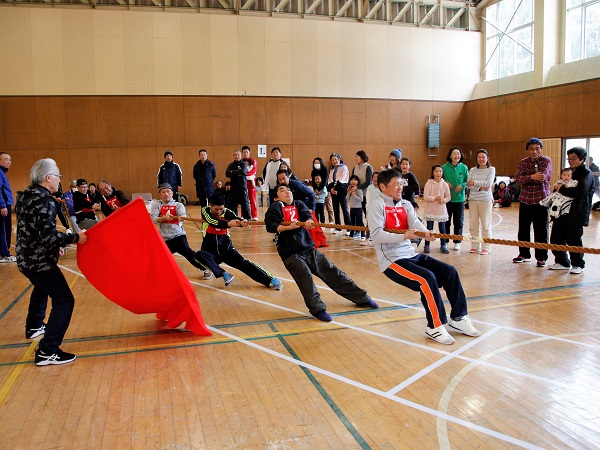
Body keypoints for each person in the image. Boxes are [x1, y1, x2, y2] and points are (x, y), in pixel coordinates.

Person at [368, 169, 480, 345]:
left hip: (411, 254)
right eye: (395, 184)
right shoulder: (376, 205)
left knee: (450, 272)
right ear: (383, 186)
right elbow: (376, 235)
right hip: (392, 260)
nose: (400, 187)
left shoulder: (405, 204)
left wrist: (425, 232)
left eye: (401, 184)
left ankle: (459, 318)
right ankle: (434, 326)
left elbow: (416, 223)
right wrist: (404, 236)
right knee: (426, 279)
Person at [265, 184, 378, 322]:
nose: (287, 191)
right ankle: (318, 309)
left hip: (308, 249)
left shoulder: (299, 204)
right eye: (282, 190)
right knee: (306, 279)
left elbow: (307, 215)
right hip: (291, 254)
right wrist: (288, 227)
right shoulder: (276, 207)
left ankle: (362, 298)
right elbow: (271, 226)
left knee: (332, 271)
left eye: (288, 189)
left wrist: (308, 221)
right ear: (276, 197)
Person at [16, 158, 88, 365]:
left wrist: (56, 244)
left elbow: (34, 230)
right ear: (48, 178)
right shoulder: (45, 200)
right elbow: (47, 236)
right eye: (57, 176)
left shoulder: (25, 196)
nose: (59, 181)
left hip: (25, 259)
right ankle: (48, 351)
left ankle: (34, 326)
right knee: (65, 300)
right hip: (39, 262)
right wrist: (75, 238)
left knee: (41, 288)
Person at [201, 192, 283, 289]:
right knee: (199, 256)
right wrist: (228, 224)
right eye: (216, 209)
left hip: (225, 246)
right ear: (210, 205)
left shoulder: (227, 212)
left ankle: (270, 279)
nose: (219, 211)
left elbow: (235, 218)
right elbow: (213, 222)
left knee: (243, 263)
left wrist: (241, 222)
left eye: (221, 209)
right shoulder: (205, 210)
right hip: (209, 247)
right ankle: (212, 269)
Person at [149, 183, 214, 279]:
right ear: (160, 195)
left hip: (178, 236)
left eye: (168, 191)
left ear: (172, 193)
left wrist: (181, 217)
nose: (166, 194)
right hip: (165, 238)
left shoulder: (178, 205)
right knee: (156, 256)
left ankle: (206, 268)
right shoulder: (157, 205)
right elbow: (153, 219)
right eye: (163, 192)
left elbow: (183, 216)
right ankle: (152, 274)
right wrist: (164, 218)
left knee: (189, 254)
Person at [546, 147, 594, 274]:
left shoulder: (586, 174)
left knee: (574, 240)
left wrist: (562, 189)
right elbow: (557, 187)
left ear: (582, 159)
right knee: (556, 238)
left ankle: (578, 264)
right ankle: (562, 261)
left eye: (574, 158)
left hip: (576, 213)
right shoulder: (568, 172)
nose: (570, 161)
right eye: (569, 158)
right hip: (561, 213)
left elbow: (580, 192)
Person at [513, 138, 552, 267]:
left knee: (541, 230)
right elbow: (518, 179)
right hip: (525, 200)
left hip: (540, 200)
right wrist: (531, 177)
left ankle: (541, 257)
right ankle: (524, 254)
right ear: (527, 150)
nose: (534, 151)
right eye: (531, 148)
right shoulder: (523, 162)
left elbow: (542, 177)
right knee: (523, 229)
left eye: (537, 148)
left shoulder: (546, 160)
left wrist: (528, 178)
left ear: (541, 149)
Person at [467, 149, 495, 255]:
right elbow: (468, 184)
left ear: (487, 158)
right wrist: (479, 187)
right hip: (473, 199)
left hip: (485, 200)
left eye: (483, 157)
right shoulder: (473, 170)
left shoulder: (491, 170)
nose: (481, 159)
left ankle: (486, 246)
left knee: (486, 224)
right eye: (479, 157)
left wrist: (474, 182)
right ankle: (474, 245)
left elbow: (488, 184)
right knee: (473, 225)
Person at [442, 146, 468, 251]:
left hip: (459, 199)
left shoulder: (464, 168)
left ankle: (457, 241)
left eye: (458, 153)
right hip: (447, 199)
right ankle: (446, 241)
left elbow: (467, 181)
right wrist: (445, 182)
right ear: (450, 155)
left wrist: (462, 186)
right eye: (454, 153)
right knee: (446, 221)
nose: (456, 155)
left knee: (458, 222)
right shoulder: (444, 167)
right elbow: (439, 178)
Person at [423, 165, 450, 254]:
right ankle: (427, 245)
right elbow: (425, 196)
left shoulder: (444, 184)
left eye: (440, 171)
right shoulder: (428, 183)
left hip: (441, 209)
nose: (438, 173)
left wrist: (444, 200)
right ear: (432, 173)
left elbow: (448, 196)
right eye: (436, 171)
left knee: (442, 228)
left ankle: (443, 245)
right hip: (430, 209)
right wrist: (434, 198)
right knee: (429, 228)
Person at [327, 153, 351, 235]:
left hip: (342, 192)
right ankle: (338, 228)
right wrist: (331, 189)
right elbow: (329, 181)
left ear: (339, 159)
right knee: (335, 209)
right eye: (332, 160)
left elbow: (343, 180)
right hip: (334, 192)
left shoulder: (344, 167)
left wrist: (336, 189)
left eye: (335, 159)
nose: (334, 161)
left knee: (345, 209)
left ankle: (349, 228)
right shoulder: (332, 170)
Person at [225, 149, 251, 220]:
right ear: (233, 156)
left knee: (244, 203)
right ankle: (234, 218)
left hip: (242, 187)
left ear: (240, 155)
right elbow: (227, 173)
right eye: (235, 155)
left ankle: (247, 218)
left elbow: (243, 172)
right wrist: (237, 173)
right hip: (233, 187)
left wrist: (232, 172)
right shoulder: (231, 165)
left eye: (238, 155)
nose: (237, 156)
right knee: (233, 204)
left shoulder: (244, 164)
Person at [0, 152, 15, 262]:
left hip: (5, 204)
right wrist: (2, 205)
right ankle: (5, 254)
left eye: (9, 159)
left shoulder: (2, 173)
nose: (8, 162)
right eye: (6, 159)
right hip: (3, 206)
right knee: (5, 230)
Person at [311, 157, 334, 225]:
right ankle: (318, 222)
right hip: (317, 190)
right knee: (318, 209)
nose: (316, 164)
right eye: (315, 163)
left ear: (321, 163)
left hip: (325, 189)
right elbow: (313, 181)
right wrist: (315, 189)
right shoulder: (313, 171)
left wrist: (320, 189)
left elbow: (325, 180)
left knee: (329, 205)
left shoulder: (325, 169)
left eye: (318, 162)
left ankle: (331, 221)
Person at [352, 150, 373, 217]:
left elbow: (368, 182)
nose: (355, 158)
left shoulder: (368, 167)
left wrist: (358, 187)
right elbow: (352, 179)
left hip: (365, 193)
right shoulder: (355, 168)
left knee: (367, 212)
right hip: (356, 194)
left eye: (357, 157)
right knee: (358, 214)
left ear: (362, 157)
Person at [242, 146, 259, 220]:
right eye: (244, 152)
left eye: (247, 152)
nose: (245, 153)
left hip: (251, 182)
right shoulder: (241, 161)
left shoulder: (253, 161)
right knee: (243, 199)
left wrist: (245, 174)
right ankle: (243, 215)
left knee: (252, 199)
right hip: (243, 182)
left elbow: (253, 170)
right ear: (242, 153)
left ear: (249, 152)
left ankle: (254, 215)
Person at [347, 175, 365, 241]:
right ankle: (351, 234)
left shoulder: (359, 190)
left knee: (360, 221)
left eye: (355, 180)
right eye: (352, 180)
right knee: (352, 222)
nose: (353, 182)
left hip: (358, 208)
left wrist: (354, 195)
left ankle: (363, 235)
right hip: (352, 208)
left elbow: (361, 199)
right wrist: (349, 193)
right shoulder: (349, 189)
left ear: (358, 182)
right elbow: (347, 198)